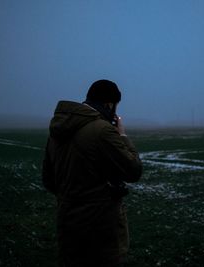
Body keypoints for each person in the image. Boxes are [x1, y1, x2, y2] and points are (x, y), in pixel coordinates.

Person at [42, 79, 142, 267]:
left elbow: (48, 180)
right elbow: (134, 170)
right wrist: (122, 135)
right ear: (109, 104)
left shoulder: (56, 130)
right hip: (100, 230)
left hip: (67, 224)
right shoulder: (102, 130)